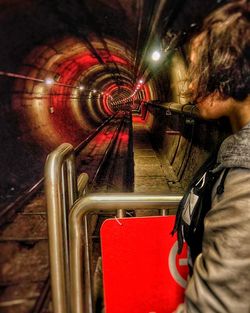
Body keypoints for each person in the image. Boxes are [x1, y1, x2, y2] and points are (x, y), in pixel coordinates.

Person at [172, 1, 250, 312]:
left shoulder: (245, 184)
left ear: (229, 64)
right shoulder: (234, 149)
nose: (190, 86)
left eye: (198, 67)